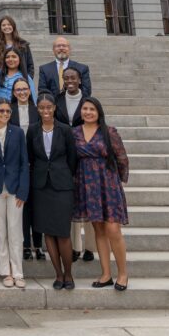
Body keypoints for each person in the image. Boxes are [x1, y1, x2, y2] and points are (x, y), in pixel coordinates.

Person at [73, 97, 129, 291]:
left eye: (92, 109)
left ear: (99, 112)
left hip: (108, 185)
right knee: (99, 230)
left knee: (113, 230)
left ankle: (123, 274)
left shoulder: (109, 131)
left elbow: (122, 158)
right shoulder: (74, 133)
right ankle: (106, 274)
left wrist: (117, 182)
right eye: (85, 109)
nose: (88, 112)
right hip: (88, 185)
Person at [27, 93, 78, 289]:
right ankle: (58, 275)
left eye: (49, 107)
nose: (46, 111)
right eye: (42, 108)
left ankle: (69, 275)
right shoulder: (32, 131)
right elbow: (31, 157)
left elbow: (72, 158)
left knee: (63, 233)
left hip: (62, 186)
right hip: (41, 186)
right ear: (37, 109)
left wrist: (63, 175)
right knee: (48, 232)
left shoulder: (65, 130)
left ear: (55, 108)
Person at [0, 98, 30, 288]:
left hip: (15, 188)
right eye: (1, 111)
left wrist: (23, 191)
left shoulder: (17, 133)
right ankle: (5, 271)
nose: (5, 114)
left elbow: (24, 163)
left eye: (8, 111)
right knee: (0, 231)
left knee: (15, 231)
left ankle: (18, 271)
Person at [55, 67, 95, 263]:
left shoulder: (88, 101)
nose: (70, 80)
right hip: (64, 156)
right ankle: (75, 246)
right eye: (66, 78)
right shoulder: (57, 99)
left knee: (87, 203)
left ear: (80, 80)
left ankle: (89, 246)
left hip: (85, 157)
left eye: (73, 78)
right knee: (71, 203)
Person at [9, 78, 44, 261]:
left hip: (35, 162)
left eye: (25, 89)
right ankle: (24, 245)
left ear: (30, 91)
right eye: (18, 90)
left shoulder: (37, 110)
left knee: (36, 206)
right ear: (14, 93)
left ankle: (37, 244)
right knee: (21, 206)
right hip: (16, 163)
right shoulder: (10, 110)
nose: (22, 92)